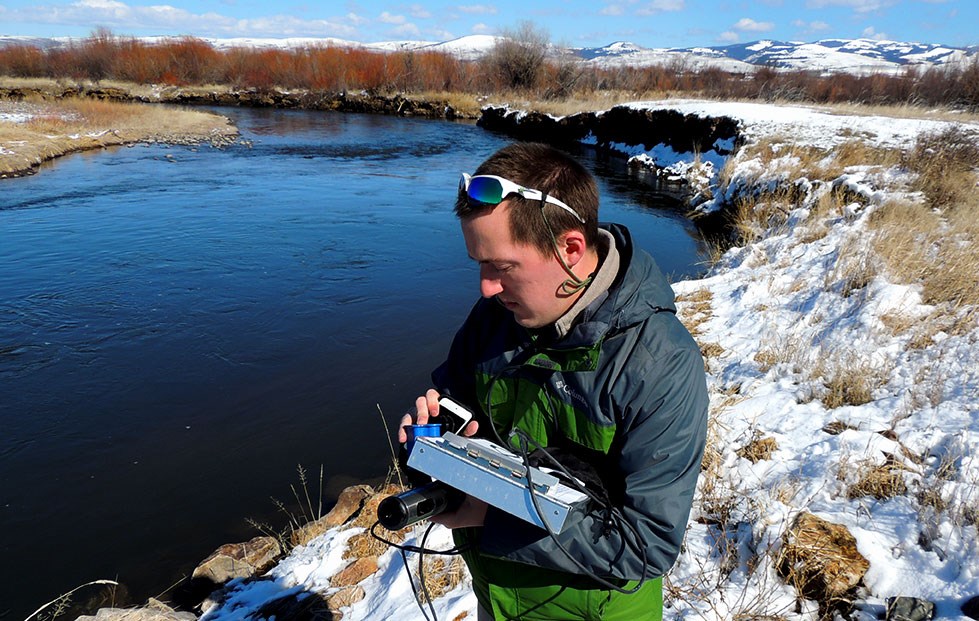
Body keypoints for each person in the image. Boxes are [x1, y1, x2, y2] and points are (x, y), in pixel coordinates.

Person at [398, 142, 708, 620]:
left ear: (569, 249)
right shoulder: (494, 318)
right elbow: (455, 402)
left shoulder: (660, 364)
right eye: (478, 264)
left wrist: (490, 512)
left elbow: (646, 547)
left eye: (501, 267)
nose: (485, 287)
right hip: (496, 596)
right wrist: (430, 445)